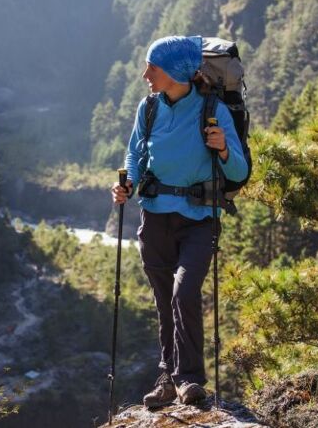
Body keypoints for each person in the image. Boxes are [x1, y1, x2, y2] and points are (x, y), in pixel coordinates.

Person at [111, 35, 248, 408]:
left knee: (183, 293)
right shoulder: (149, 108)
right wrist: (126, 185)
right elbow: (135, 153)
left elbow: (239, 169)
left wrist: (222, 147)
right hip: (154, 218)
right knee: (163, 300)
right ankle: (168, 379)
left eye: (151, 67)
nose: (145, 75)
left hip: (199, 220)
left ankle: (189, 379)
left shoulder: (212, 110)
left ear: (173, 71)